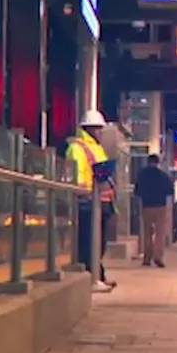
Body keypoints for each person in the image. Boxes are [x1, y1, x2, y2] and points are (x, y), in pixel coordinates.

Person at [66, 110, 117, 290]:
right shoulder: (77, 147)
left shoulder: (96, 147)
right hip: (87, 201)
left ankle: (98, 274)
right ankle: (91, 275)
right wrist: (84, 190)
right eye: (98, 129)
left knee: (99, 241)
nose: (101, 132)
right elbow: (77, 174)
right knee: (88, 241)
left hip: (100, 202)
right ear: (89, 129)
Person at [134, 154, 174, 267]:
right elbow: (170, 191)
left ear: (148, 162)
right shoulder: (163, 176)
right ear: (158, 162)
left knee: (147, 233)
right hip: (160, 206)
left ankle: (147, 258)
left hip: (146, 206)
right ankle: (158, 257)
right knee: (159, 233)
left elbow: (137, 191)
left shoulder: (142, 174)